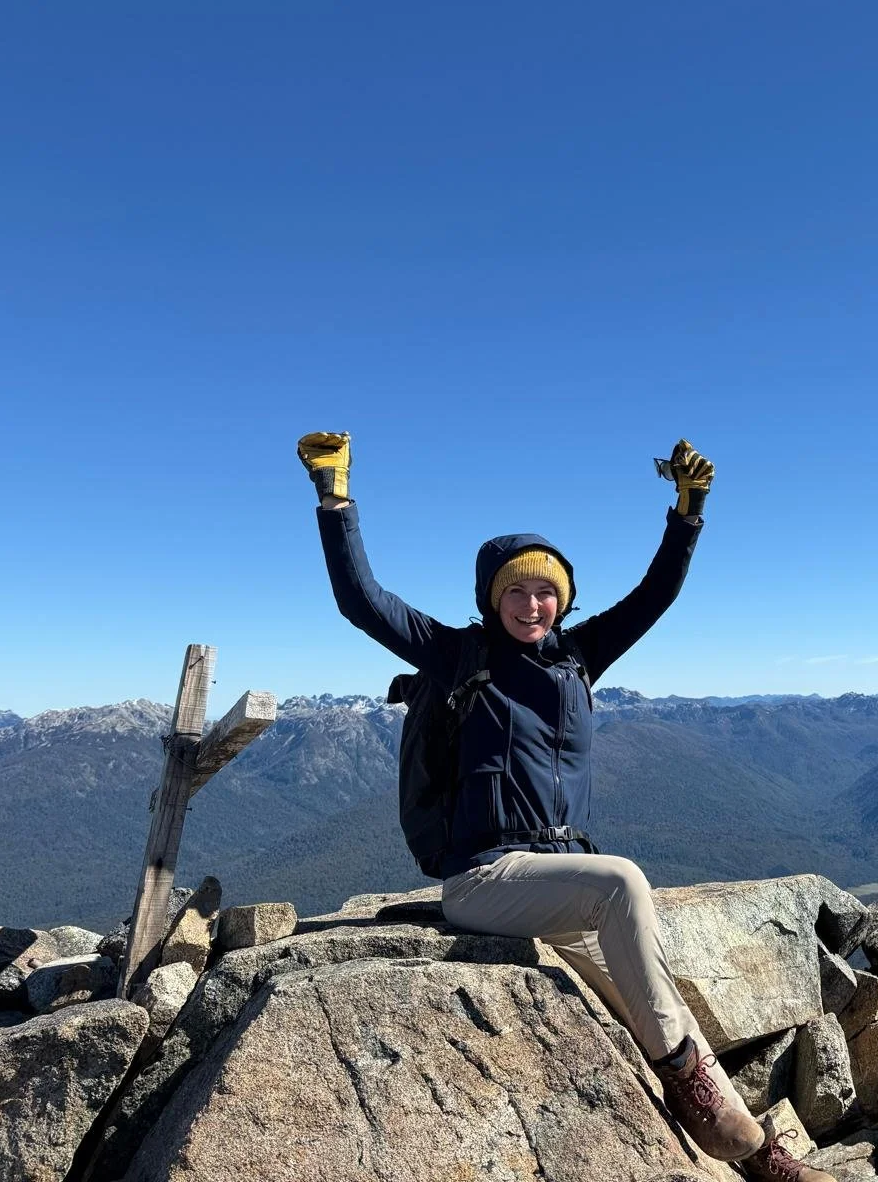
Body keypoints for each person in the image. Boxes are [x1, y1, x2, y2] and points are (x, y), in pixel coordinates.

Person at [299, 431, 832, 1181]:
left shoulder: (580, 658)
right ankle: (694, 1088)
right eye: (514, 590)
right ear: (491, 597)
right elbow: (362, 600)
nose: (531, 603)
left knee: (660, 1001)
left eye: (545, 590)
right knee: (623, 884)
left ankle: (759, 1157)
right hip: (484, 879)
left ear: (564, 597)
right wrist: (335, 496)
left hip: (554, 885)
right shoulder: (458, 654)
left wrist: (687, 514)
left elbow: (656, 596)